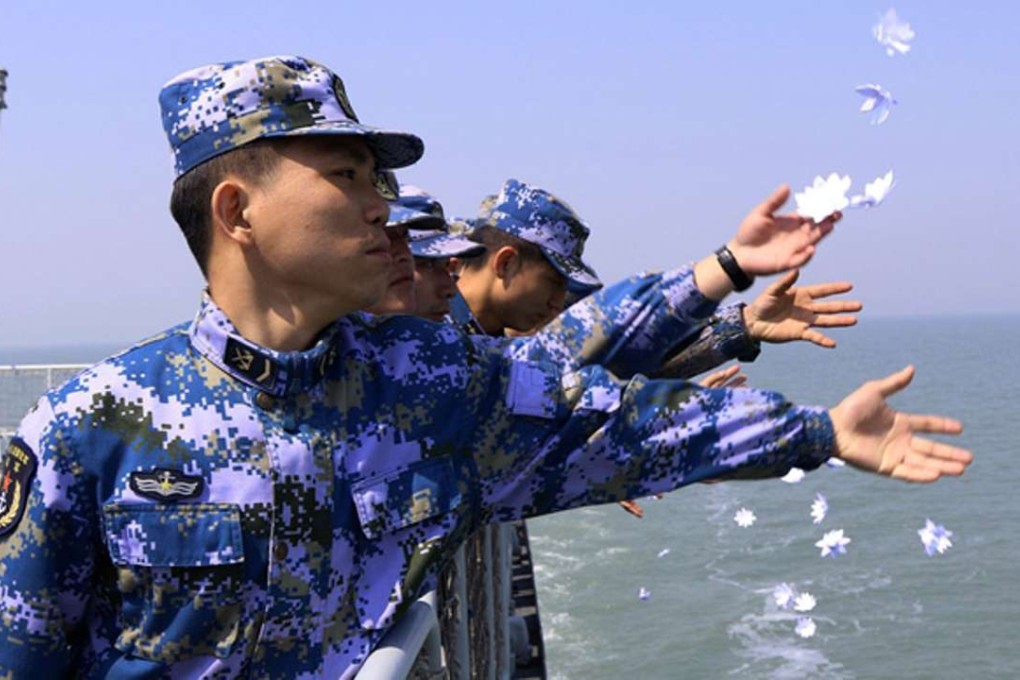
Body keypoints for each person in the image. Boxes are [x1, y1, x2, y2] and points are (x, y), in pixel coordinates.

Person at [0, 55, 972, 679]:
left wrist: (819, 433)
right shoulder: (89, 432)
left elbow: (610, 419)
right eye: (344, 177)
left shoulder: (429, 384)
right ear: (235, 213)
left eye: (378, 179)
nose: (383, 206)